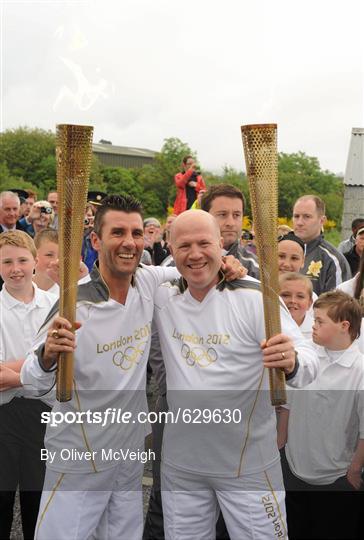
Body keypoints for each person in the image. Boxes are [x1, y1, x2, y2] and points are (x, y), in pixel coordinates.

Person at [20, 196, 242, 540]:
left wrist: (226, 263)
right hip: (81, 452)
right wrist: (48, 356)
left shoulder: (149, 282)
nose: (130, 242)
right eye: (118, 232)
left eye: (137, 233)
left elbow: (194, 264)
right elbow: (31, 381)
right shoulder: (74, 303)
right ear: (95, 240)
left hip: (128, 449)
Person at [152, 210, 319, 540]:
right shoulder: (162, 295)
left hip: (248, 464)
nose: (195, 253)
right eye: (184, 245)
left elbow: (309, 362)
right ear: (170, 249)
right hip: (182, 464)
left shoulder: (256, 297)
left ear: (221, 245)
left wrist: (292, 362)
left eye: (204, 243)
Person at [283, 290, 363, 539]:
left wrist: (354, 470)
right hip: (294, 469)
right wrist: (279, 447)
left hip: (336, 476)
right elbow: (287, 407)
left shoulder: (359, 370)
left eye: (319, 322)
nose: (313, 326)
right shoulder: (306, 357)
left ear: (344, 326)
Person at [0, 231, 57, 540]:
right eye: (7, 262)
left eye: (22, 260)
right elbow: (47, 363)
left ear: (35, 261)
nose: (16, 268)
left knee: (40, 503)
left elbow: (61, 363)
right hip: (4, 416)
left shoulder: (54, 303)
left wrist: (19, 371)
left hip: (44, 414)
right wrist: (39, 362)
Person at [292, 195, 351, 295]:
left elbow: (338, 306)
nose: (299, 222)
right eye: (296, 216)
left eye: (307, 217)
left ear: (322, 220)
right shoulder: (281, 253)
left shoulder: (332, 260)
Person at [201, 183, 260, 279]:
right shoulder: (178, 263)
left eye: (236, 215)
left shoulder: (255, 268)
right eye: (222, 214)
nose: (231, 223)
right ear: (204, 217)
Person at [279, 272, 313, 339]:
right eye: (285, 295)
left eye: (300, 296)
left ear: (310, 303)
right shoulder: (264, 326)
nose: (293, 301)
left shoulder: (318, 331)